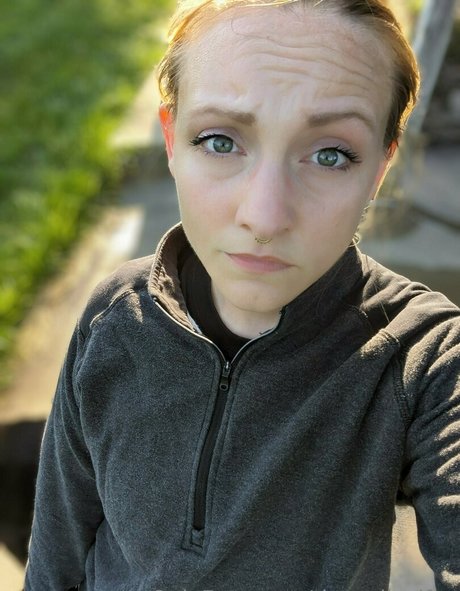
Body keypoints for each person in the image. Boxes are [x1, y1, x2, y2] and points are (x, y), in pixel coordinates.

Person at [25, 0, 460, 589]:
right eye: (220, 141)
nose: (264, 215)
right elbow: (55, 557)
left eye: (330, 155)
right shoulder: (113, 317)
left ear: (381, 167)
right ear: (171, 141)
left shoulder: (425, 361)